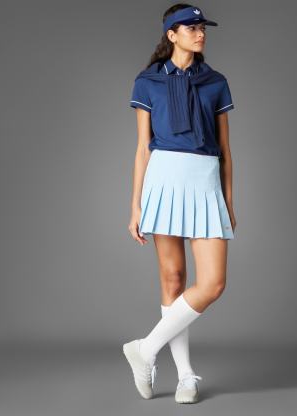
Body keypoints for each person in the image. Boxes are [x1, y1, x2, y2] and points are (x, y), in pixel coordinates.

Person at [123, 3, 237, 404]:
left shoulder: (216, 82)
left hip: (204, 180)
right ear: (171, 35)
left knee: (212, 283)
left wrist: (227, 201)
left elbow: (226, 150)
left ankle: (145, 349)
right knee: (173, 280)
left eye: (202, 27)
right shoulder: (147, 82)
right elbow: (142, 149)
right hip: (164, 180)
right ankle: (186, 377)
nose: (200, 33)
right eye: (191, 28)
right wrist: (135, 206)